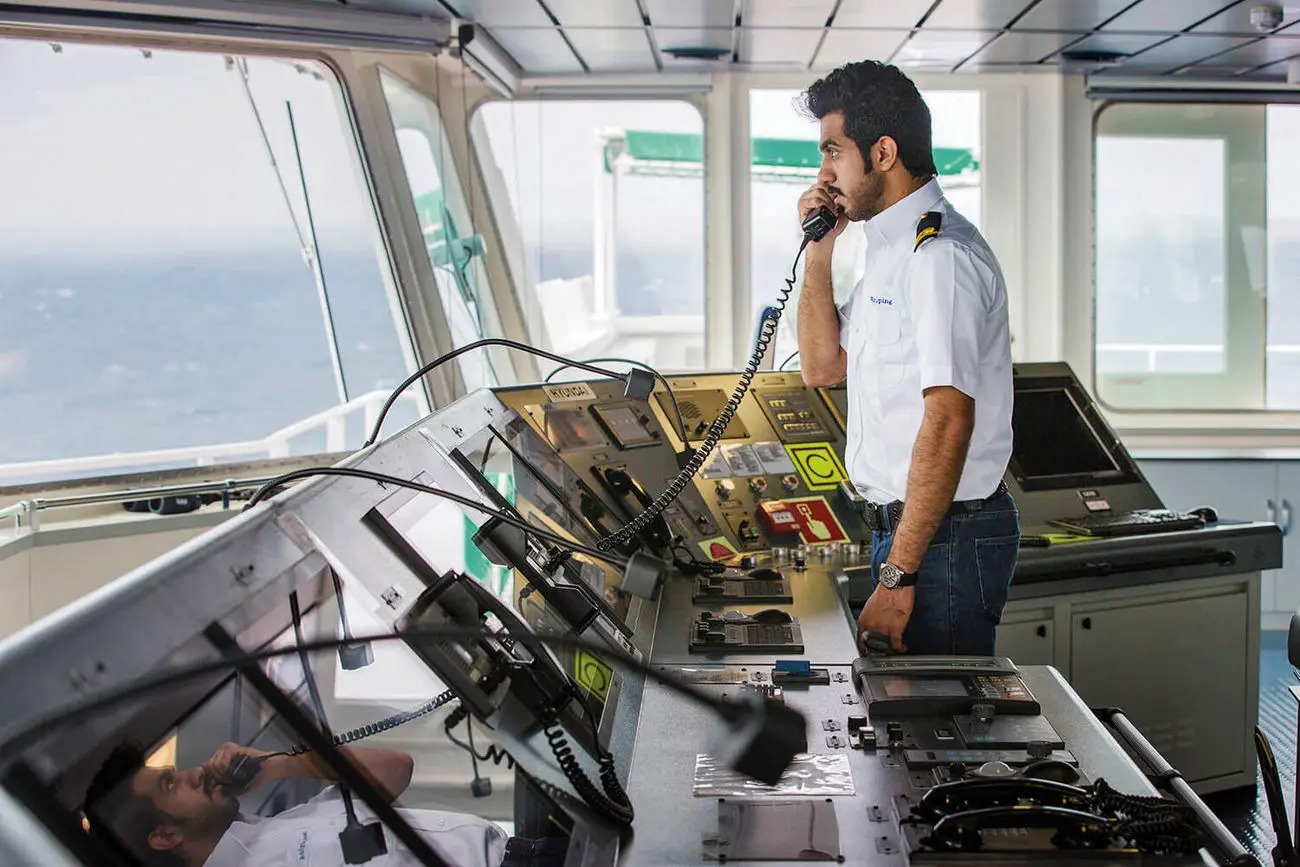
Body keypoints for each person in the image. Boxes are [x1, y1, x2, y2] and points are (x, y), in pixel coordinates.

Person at [794, 60, 1019, 656]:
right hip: (910, 535)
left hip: (943, 537)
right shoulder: (889, 254)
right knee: (909, 728)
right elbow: (821, 368)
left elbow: (948, 419)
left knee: (938, 731)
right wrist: (820, 250)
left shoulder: (939, 255)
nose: (823, 174)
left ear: (884, 152)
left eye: (833, 152)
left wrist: (898, 577)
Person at [83, 740, 566, 867]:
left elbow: (395, 769)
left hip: (526, 852)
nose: (190, 773)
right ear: (165, 835)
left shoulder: (272, 826)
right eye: (170, 786)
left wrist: (279, 766)